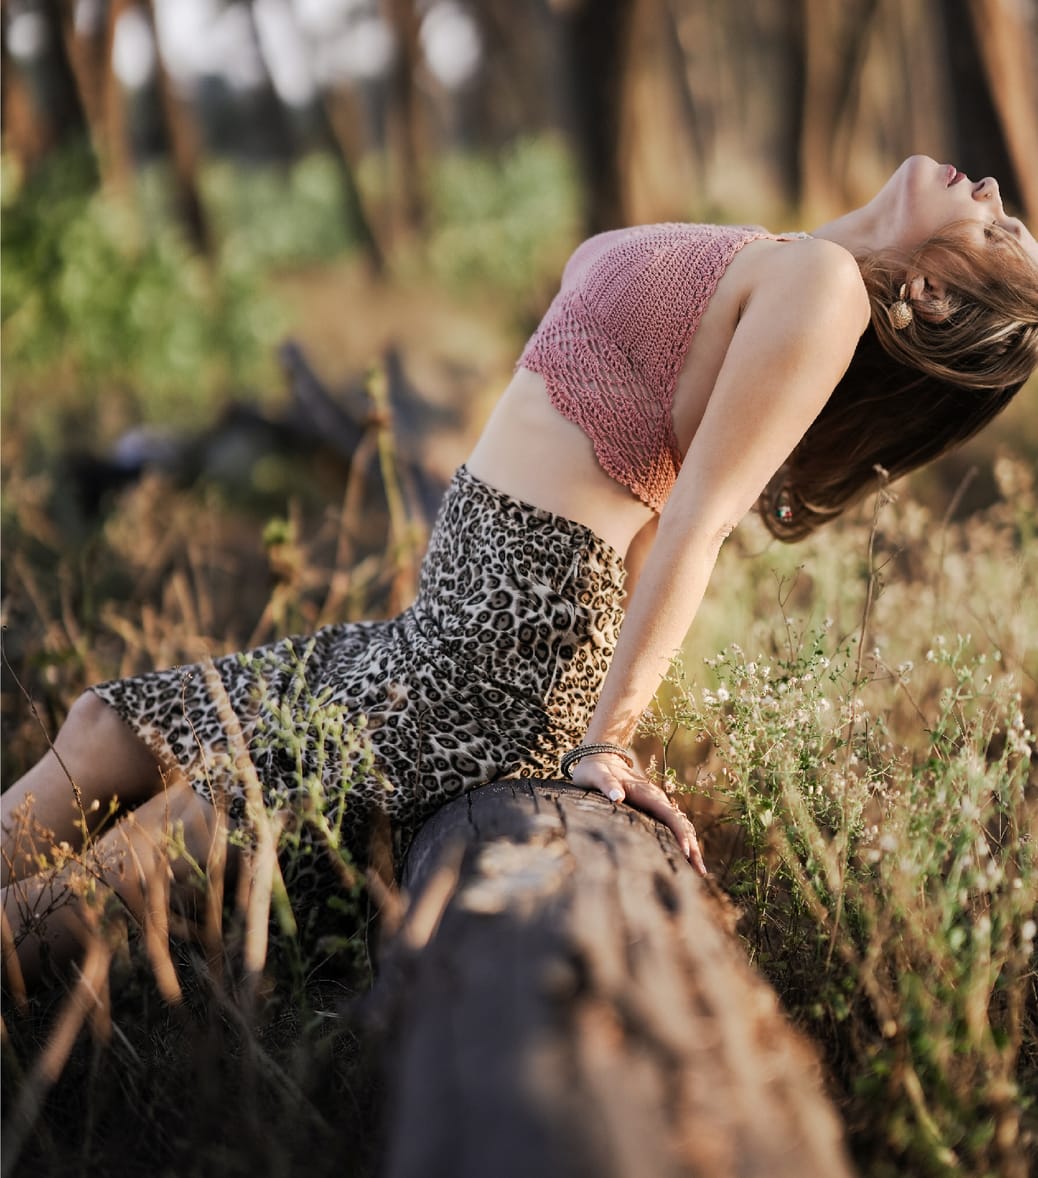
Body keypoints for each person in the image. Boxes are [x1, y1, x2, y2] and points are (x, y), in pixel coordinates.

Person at [4, 155, 1038, 985]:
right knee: (104, 722)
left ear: (935, 293)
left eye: (996, 231)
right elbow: (652, 512)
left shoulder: (824, 291)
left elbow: (698, 523)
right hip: (435, 632)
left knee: (156, 850)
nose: (990, 189)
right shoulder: (789, 260)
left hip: (496, 664)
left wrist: (610, 736)